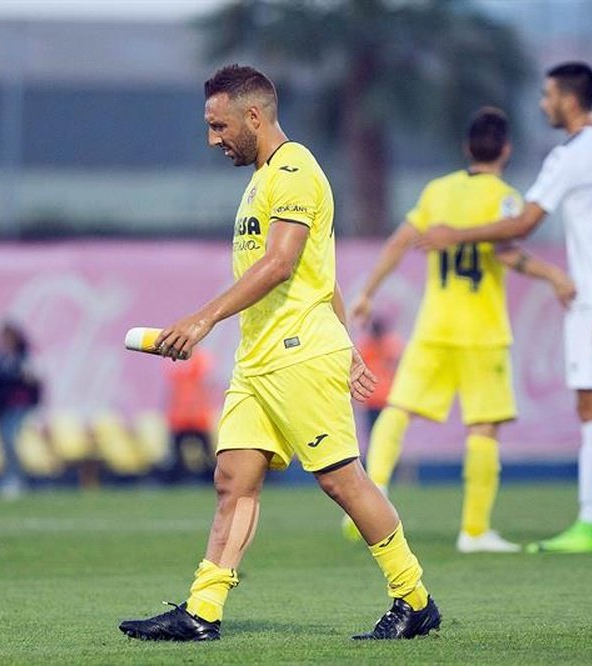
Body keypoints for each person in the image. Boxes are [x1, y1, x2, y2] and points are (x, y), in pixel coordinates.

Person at [118, 64, 439, 642]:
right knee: (232, 479)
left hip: (297, 354)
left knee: (342, 481)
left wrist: (203, 317)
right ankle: (203, 611)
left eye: (218, 126)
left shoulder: (295, 170)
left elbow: (283, 264)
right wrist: (350, 343)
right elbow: (324, 275)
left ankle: (413, 597)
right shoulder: (262, 179)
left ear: (254, 116)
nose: (213, 139)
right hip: (260, 359)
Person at [419, 62, 592, 554]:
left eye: (548, 95)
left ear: (569, 100)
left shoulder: (569, 156)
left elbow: (524, 223)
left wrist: (454, 235)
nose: (543, 103)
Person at [343, 107, 576, 554]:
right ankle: (474, 531)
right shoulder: (506, 199)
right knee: (484, 428)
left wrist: (369, 290)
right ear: (506, 150)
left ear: (466, 148)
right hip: (482, 332)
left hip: (434, 326)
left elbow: (398, 242)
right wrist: (554, 276)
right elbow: (507, 254)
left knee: (397, 411)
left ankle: (373, 497)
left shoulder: (438, 191)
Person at [0, 321, 41, 499]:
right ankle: (11, 477)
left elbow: (33, 379)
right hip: (0, 405)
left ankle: (14, 478)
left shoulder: (22, 357)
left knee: (9, 438)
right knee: (4, 443)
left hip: (18, 404)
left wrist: (22, 374)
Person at [163, 347, 217, 480]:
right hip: (180, 416)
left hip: (198, 416)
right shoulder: (173, 359)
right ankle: (180, 478)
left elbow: (205, 380)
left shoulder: (201, 358)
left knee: (207, 453)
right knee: (176, 454)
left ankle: (208, 478)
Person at [356, 316, 404, 435]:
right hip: (380, 398)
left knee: (379, 433)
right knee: (383, 433)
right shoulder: (388, 346)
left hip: (380, 397)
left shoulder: (387, 346)